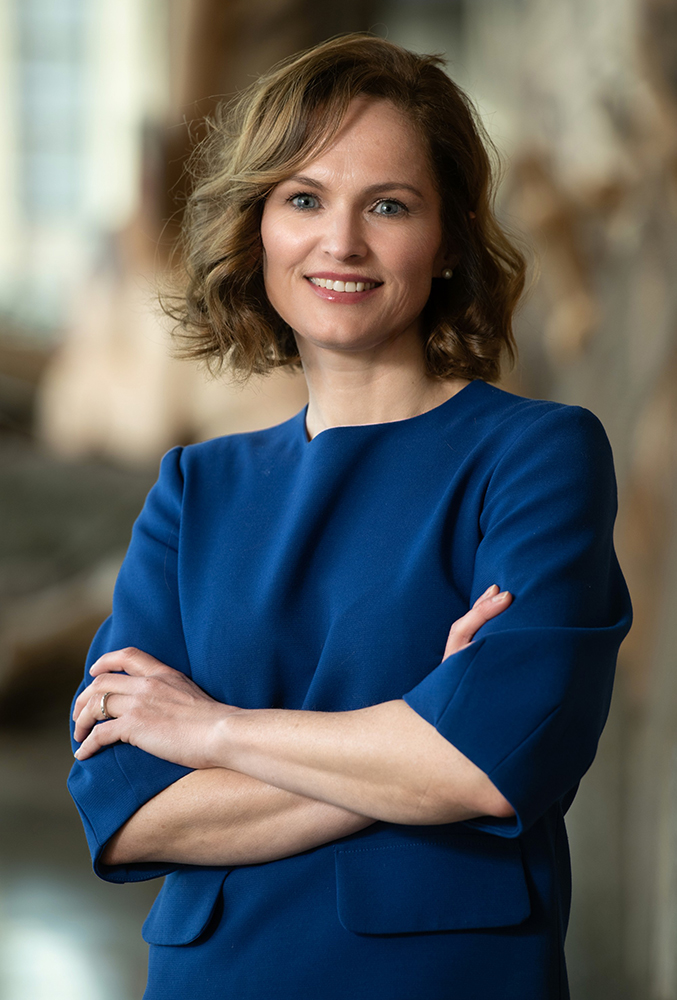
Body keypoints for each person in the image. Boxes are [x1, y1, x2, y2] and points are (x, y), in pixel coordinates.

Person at [69, 33, 632, 1000]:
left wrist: (214, 733)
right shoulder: (193, 490)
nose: (341, 243)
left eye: (388, 204)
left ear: (448, 234)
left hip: (441, 974)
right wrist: (415, 732)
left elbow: (490, 767)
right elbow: (125, 809)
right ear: (258, 229)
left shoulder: (536, 456)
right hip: (214, 977)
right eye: (303, 199)